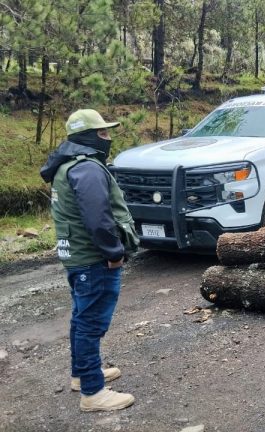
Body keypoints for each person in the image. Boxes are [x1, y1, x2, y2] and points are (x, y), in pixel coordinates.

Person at [39, 109, 139, 412]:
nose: (108, 138)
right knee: (91, 321)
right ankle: (93, 393)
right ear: (89, 136)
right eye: (103, 133)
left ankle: (83, 375)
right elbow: (99, 218)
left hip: (76, 256)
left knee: (82, 316)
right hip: (93, 259)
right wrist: (114, 253)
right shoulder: (88, 168)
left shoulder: (67, 165)